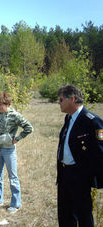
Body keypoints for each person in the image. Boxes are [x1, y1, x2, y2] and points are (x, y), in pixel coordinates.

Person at [57, 84, 103, 227]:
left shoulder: (91, 121)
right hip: (64, 174)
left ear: (72, 99)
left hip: (80, 176)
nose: (59, 103)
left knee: (83, 214)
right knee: (65, 214)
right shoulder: (68, 118)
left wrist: (90, 176)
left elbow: (100, 153)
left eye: (60, 100)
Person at [0, 92, 33, 213]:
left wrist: (17, 138)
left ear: (7, 104)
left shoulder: (15, 116)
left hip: (9, 151)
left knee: (13, 177)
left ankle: (16, 204)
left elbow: (29, 128)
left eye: (0, 105)